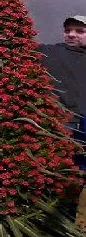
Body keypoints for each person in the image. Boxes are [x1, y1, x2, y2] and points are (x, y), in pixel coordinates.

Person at [40, 15, 86, 170]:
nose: (71, 34)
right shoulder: (50, 52)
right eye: (68, 30)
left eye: (80, 31)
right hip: (61, 125)